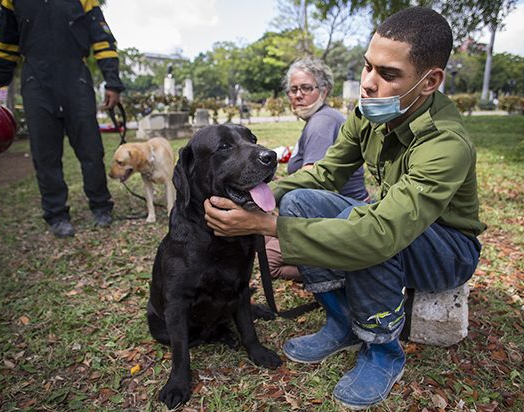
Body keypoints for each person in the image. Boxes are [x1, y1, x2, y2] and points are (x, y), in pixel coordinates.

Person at [204, 7, 486, 409]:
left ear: (431, 81)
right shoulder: (369, 115)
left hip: (447, 250)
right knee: (301, 200)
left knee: (366, 233)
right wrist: (258, 197)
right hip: (395, 223)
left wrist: (267, 225)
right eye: (367, 67)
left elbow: (378, 234)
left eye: (388, 75)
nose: (368, 84)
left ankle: (383, 351)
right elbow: (323, 177)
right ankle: (343, 323)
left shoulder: (446, 144)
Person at [0, 0, 124, 238]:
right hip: (36, 81)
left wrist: (113, 83)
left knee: (91, 150)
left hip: (76, 79)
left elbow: (103, 39)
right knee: (45, 155)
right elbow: (4, 44)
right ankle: (56, 214)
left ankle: (101, 205)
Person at [266, 57, 369, 281]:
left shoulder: (321, 123)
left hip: (340, 217)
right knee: (261, 235)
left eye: (306, 88)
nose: (298, 95)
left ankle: (346, 276)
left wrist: (271, 191)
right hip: (337, 209)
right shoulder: (323, 118)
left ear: (324, 90)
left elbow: (311, 178)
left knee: (269, 260)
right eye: (293, 90)